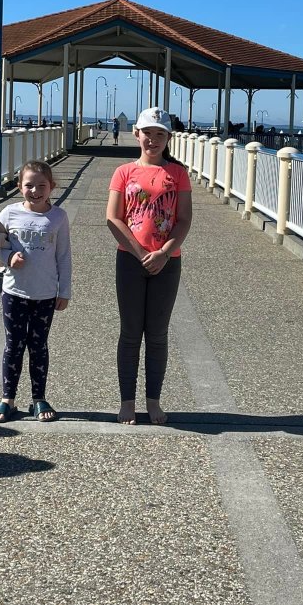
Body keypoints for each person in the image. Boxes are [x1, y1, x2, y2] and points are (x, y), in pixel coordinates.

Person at [106, 107, 192, 425]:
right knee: (130, 333)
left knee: (157, 334)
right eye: (147, 133)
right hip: (130, 259)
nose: (153, 140)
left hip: (167, 262)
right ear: (136, 134)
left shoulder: (178, 174)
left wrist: (164, 253)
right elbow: (113, 217)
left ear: (168, 138)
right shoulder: (124, 172)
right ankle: (127, 401)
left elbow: (184, 219)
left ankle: (153, 400)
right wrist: (141, 251)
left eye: (160, 134)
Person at [0, 160, 72, 423]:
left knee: (38, 346)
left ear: (52, 187)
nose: (35, 191)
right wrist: (8, 257)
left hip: (45, 294)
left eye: (41, 186)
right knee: (13, 345)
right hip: (14, 292)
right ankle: (7, 399)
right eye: (29, 185)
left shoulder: (58, 217)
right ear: (19, 187)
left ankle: (38, 398)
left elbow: (64, 256)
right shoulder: (9, 213)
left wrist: (64, 291)